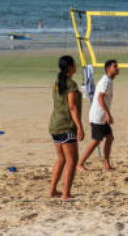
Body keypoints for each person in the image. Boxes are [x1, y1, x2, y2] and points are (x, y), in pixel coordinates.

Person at [49, 55, 84, 200]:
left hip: (55, 124)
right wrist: (80, 127)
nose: (76, 66)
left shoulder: (57, 82)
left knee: (61, 159)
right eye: (75, 64)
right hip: (66, 125)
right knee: (72, 161)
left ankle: (53, 191)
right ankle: (65, 194)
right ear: (70, 67)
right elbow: (72, 107)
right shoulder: (70, 84)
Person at [77, 59, 120, 172]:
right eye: (115, 66)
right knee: (96, 141)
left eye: (117, 66)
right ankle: (80, 163)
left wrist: (106, 115)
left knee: (110, 138)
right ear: (108, 69)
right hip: (97, 116)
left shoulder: (109, 80)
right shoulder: (105, 81)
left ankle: (106, 164)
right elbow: (99, 98)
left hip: (102, 117)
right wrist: (108, 114)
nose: (117, 68)